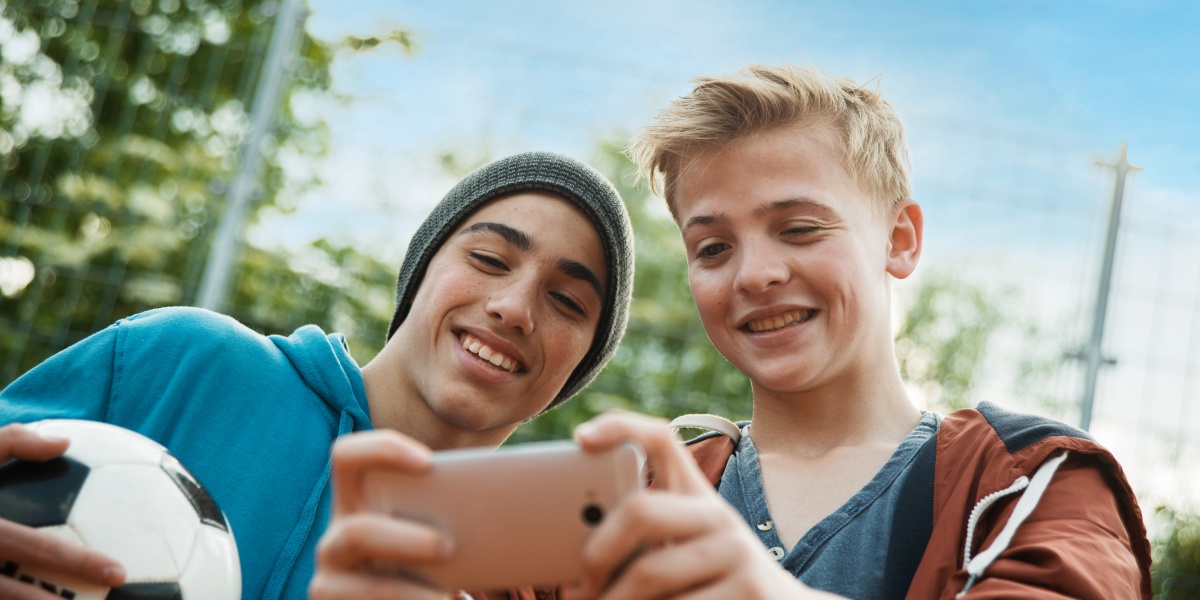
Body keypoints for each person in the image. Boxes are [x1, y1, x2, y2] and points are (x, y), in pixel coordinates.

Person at [313, 64, 1150, 600]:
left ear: (900, 240)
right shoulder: (616, 494)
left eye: (799, 228)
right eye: (714, 246)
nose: (754, 274)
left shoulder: (1034, 485)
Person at [0, 151, 635, 600]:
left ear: (581, 362)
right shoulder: (185, 361)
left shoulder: (529, 572)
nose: (514, 308)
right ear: (421, 272)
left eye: (569, 303)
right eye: (490, 258)